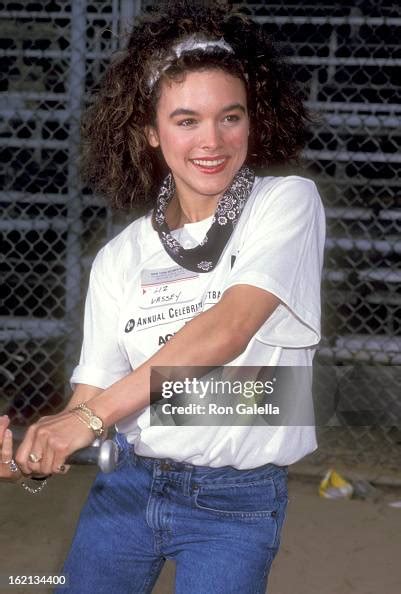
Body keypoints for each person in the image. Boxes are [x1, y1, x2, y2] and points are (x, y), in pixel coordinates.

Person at [0, 2, 326, 592]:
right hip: (127, 484)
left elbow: (229, 329)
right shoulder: (121, 256)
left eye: (231, 117)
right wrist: (36, 450)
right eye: (186, 120)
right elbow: (93, 394)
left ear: (253, 120)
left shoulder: (286, 203)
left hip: (237, 502)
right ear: (151, 131)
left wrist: (94, 417)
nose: (212, 140)